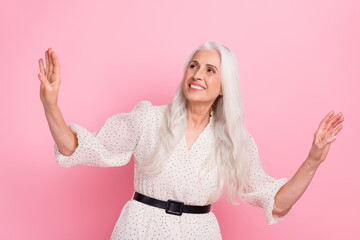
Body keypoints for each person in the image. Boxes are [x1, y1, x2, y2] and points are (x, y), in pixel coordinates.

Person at [38, 41, 344, 239]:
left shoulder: (234, 141)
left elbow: (276, 202)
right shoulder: (149, 118)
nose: (197, 74)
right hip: (139, 230)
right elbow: (78, 148)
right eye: (193, 66)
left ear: (225, 87)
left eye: (210, 70)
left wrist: (313, 160)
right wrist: (51, 105)